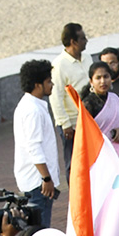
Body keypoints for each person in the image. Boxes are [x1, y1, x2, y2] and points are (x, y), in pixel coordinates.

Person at [12, 60, 60, 228]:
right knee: (39, 231)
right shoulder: (32, 110)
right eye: (48, 81)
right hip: (37, 185)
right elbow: (34, 147)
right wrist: (46, 178)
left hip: (35, 182)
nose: (52, 84)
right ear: (37, 85)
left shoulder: (31, 105)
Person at [49, 22, 87, 175]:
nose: (87, 41)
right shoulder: (59, 65)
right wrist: (65, 124)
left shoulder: (88, 58)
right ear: (73, 42)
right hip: (71, 124)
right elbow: (55, 96)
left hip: (88, 119)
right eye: (83, 38)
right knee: (73, 163)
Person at [80, 60, 119, 155]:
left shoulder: (115, 98)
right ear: (91, 81)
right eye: (98, 78)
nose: (103, 81)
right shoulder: (88, 104)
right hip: (100, 154)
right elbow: (84, 134)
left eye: (106, 77)